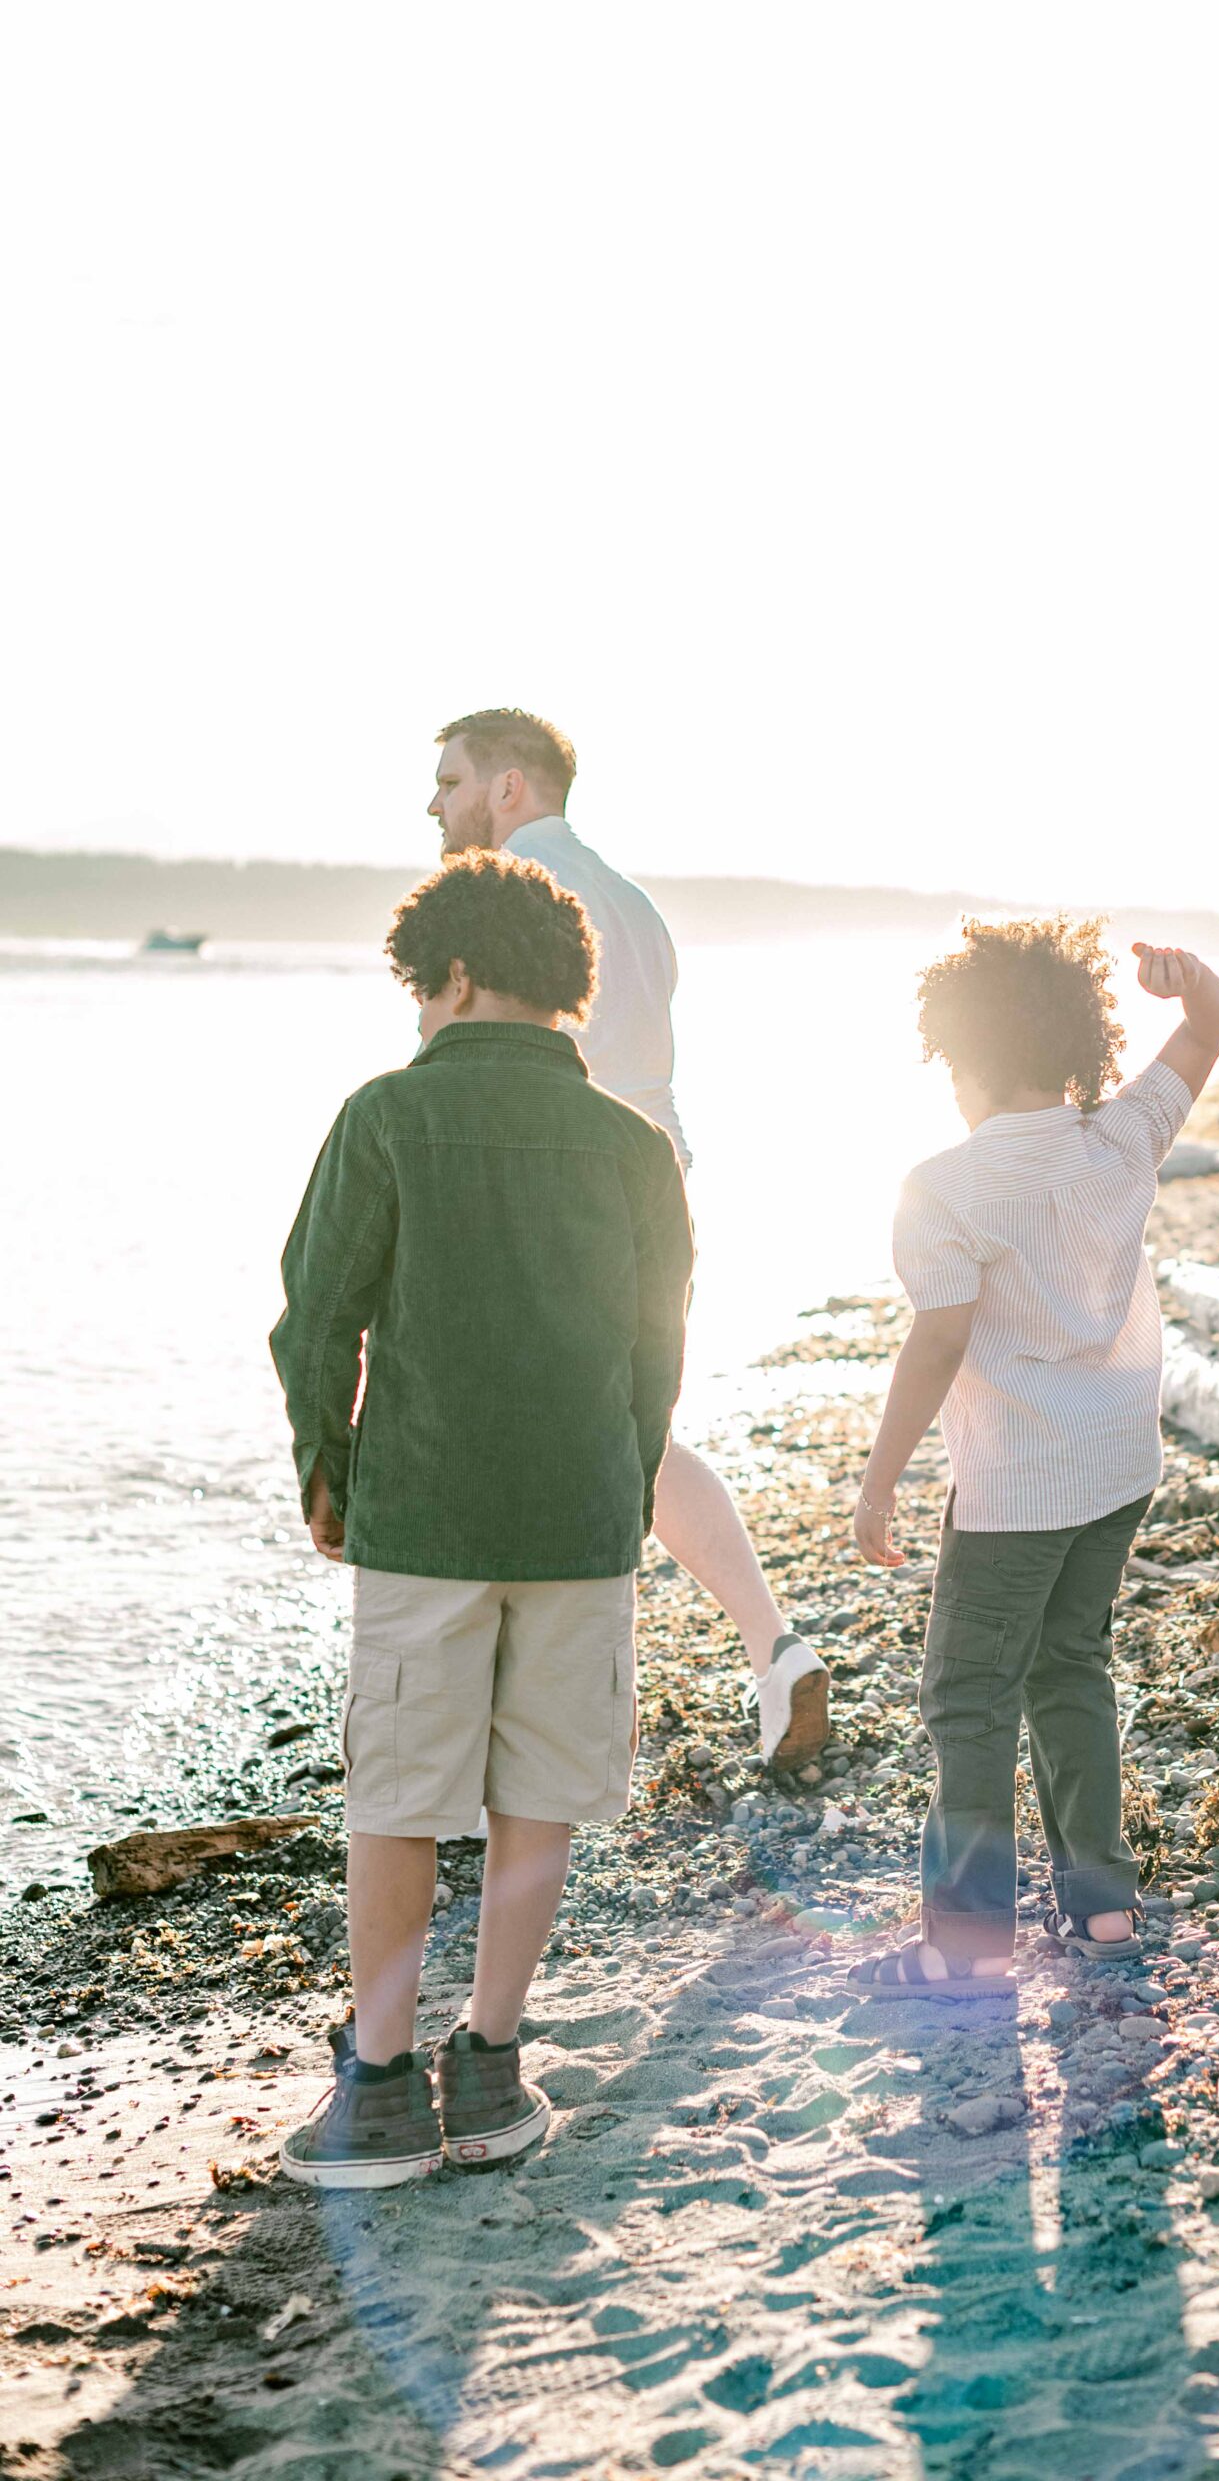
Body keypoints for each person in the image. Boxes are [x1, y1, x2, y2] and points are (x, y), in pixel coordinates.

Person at [269, 851, 693, 2186]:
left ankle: (382, 2089)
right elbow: (658, 1347)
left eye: (421, 991)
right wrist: (622, 1486)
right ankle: (493, 2071)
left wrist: (325, 1465)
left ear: (455, 975)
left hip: (428, 1520)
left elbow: (315, 1320)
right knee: (536, 1798)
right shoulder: (634, 1145)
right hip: (576, 1523)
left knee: (397, 1798)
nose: (417, 1016)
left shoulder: (387, 1118)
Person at [426, 709, 829, 1767]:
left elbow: (470, 1067)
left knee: (514, 1434)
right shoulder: (637, 902)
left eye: (450, 779)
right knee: (628, 1427)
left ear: (509, 788)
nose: (435, 802)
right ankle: (771, 1649)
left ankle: (506, 1716)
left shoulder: (501, 900)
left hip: (555, 1184)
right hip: (659, 1172)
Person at [846, 918, 1219, 1996]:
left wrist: (879, 1480)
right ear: (1074, 1037)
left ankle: (966, 1943)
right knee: (1069, 1668)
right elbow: (1214, 1025)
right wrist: (1179, 980)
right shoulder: (1119, 1136)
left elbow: (936, 1340)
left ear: (956, 1053)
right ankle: (1102, 1911)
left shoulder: (945, 1186)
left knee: (968, 1696)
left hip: (1015, 1484)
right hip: (1115, 1467)